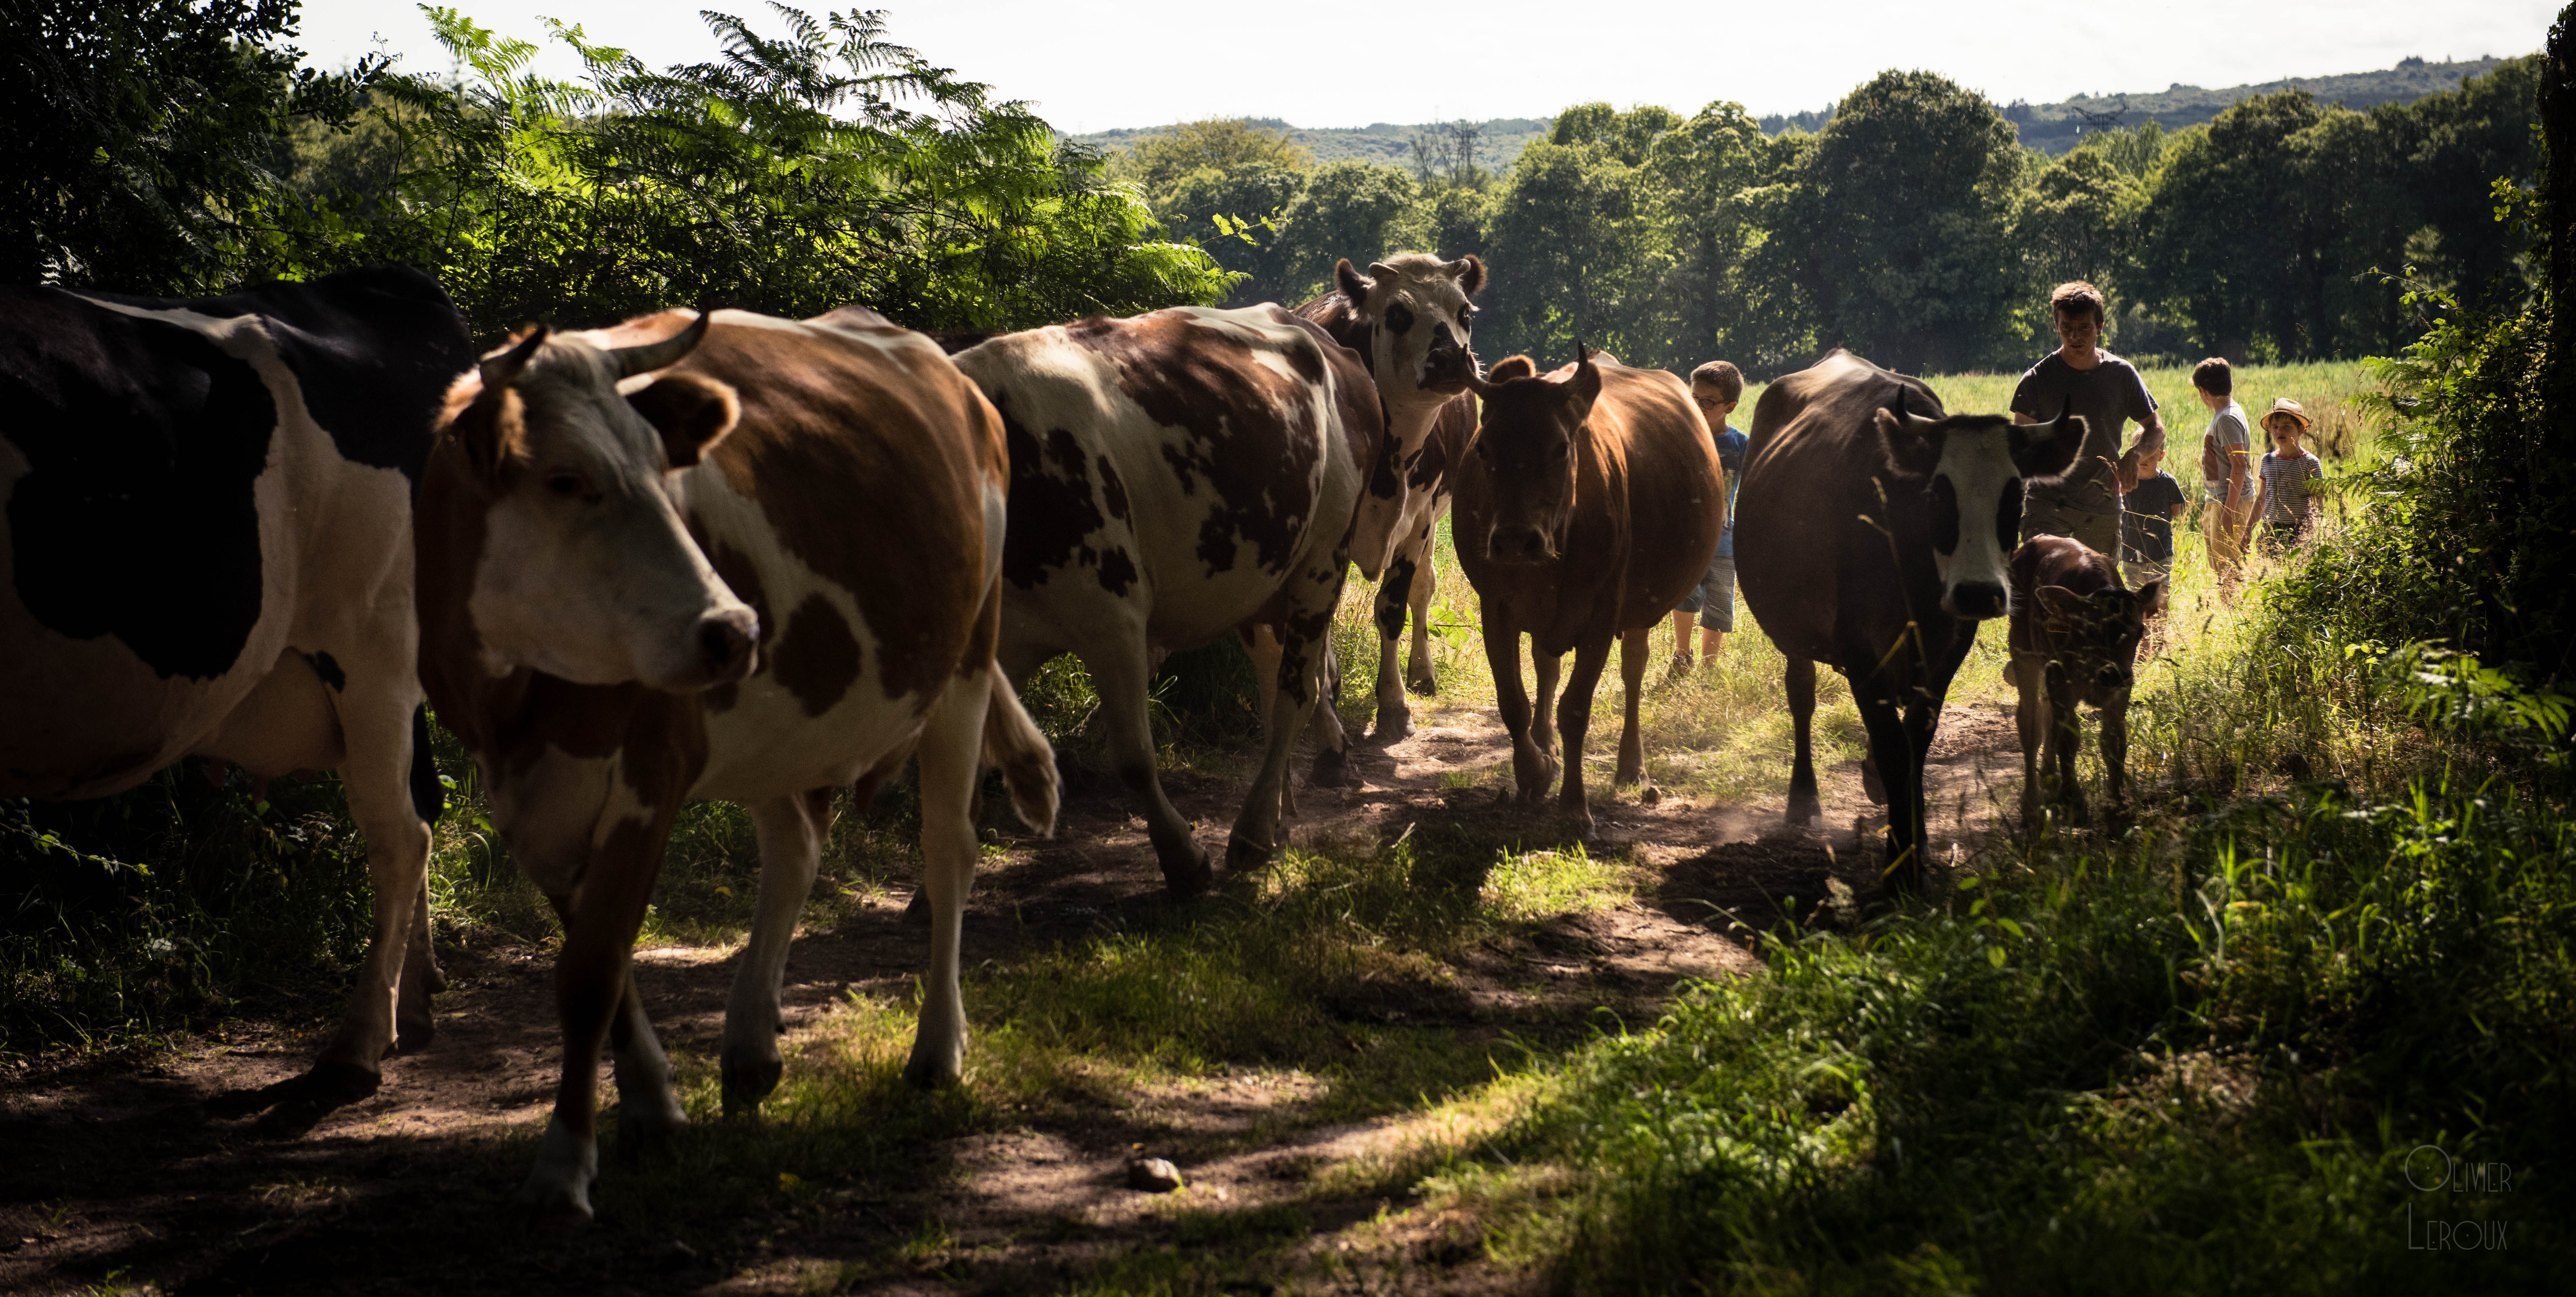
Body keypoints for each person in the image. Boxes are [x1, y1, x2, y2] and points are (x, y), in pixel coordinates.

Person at [2010, 281, 2166, 555]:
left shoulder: (2121, 375)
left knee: (2098, 594)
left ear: (2100, 327)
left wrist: (2135, 454)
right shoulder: (2036, 381)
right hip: (2046, 507)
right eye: (2066, 328)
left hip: (2101, 507)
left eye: (2084, 327)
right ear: (2055, 327)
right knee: (2047, 590)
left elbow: (2155, 429)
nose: (2074, 336)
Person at [1669, 360, 1748, 671]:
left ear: (1730, 406)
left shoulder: (1741, 445)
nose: (1699, 406)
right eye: (1694, 398)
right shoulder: (1680, 437)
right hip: (1686, 538)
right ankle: (1681, 654)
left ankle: (1709, 666)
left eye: (1708, 402)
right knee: (1685, 595)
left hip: (1724, 541)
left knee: (1719, 606)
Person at [2191, 357, 2255, 597]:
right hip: (2221, 499)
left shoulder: (2227, 418)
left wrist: (2228, 511)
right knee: (2222, 566)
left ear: (2203, 391)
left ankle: (2236, 616)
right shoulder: (2226, 413)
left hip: (2232, 502)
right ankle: (2231, 612)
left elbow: (2239, 466)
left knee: (2228, 569)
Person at [2253, 397, 2325, 554]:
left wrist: (2306, 538)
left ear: (2301, 430)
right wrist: (2247, 531)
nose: (2280, 432)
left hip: (2298, 530)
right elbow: (2261, 499)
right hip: (2270, 531)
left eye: (2287, 427)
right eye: (2276, 427)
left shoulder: (2310, 463)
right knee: (2269, 575)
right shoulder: (2268, 460)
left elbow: (2317, 505)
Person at [2120, 445, 2188, 593]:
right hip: (2131, 551)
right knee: (2137, 597)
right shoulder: (2126, 482)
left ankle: (2160, 618)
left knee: (2160, 595)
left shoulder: (2168, 482)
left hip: (2161, 552)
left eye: (2151, 455)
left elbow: (2174, 512)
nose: (2145, 459)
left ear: (2161, 456)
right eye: (2141, 454)